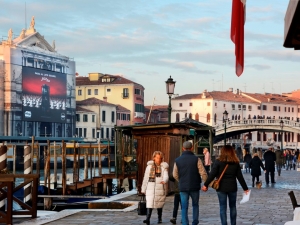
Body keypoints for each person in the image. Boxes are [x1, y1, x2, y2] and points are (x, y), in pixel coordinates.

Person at [202, 145, 249, 225]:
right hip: (232, 187)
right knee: (233, 207)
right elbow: (240, 177)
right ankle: (233, 223)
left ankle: (224, 223)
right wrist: (245, 188)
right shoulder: (235, 162)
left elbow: (212, 174)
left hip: (221, 187)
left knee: (222, 207)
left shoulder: (218, 162)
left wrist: (205, 185)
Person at [173, 141, 207, 225]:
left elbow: (174, 174)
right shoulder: (196, 159)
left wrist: (181, 180)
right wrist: (206, 183)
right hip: (195, 185)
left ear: (183, 148)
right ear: (192, 148)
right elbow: (203, 172)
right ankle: (195, 222)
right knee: (195, 205)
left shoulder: (177, 160)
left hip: (183, 186)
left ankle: (185, 223)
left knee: (184, 206)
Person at [141, 151, 169, 225]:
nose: (158, 159)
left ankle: (159, 218)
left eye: (160, 158)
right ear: (154, 158)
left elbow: (166, 176)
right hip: (150, 187)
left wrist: (164, 180)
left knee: (159, 204)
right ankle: (148, 219)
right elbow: (146, 178)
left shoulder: (163, 167)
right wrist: (143, 189)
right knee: (149, 204)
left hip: (160, 187)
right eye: (157, 158)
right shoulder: (149, 167)